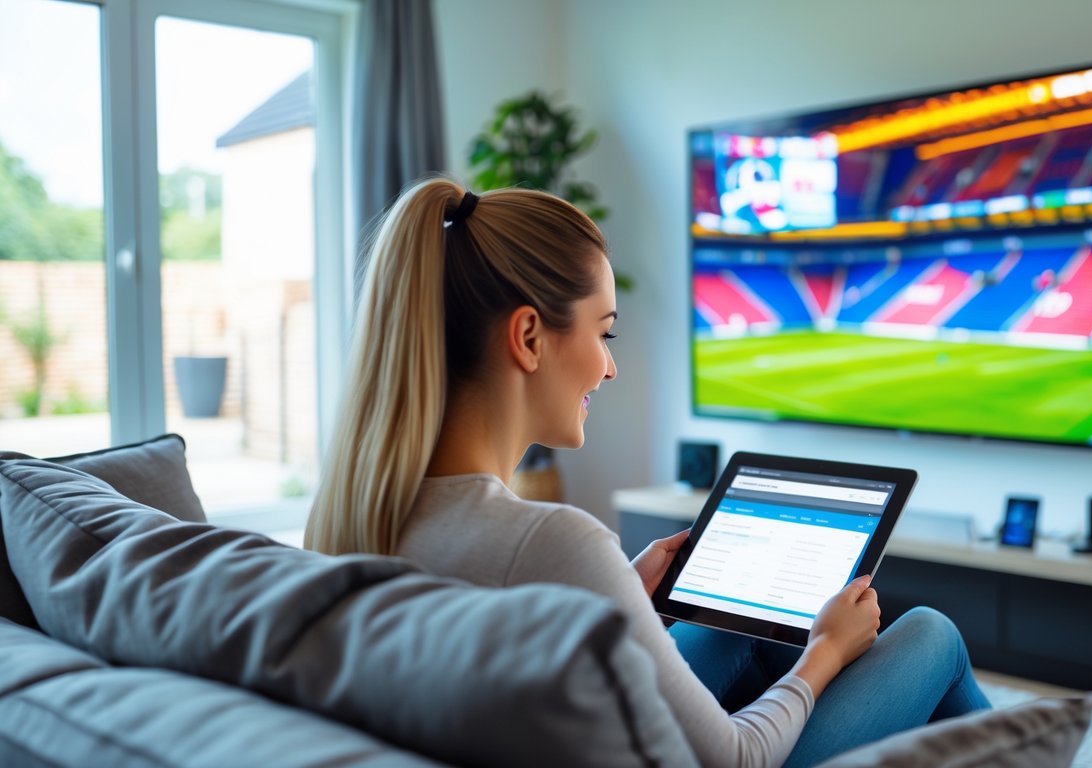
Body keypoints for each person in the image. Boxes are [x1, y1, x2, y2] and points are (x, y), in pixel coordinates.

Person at [306, 176, 990, 768]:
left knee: (727, 623)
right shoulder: (549, 542)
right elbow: (733, 757)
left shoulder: (355, 516)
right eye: (603, 332)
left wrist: (618, 596)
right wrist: (824, 657)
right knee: (930, 632)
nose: (609, 366)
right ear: (528, 337)